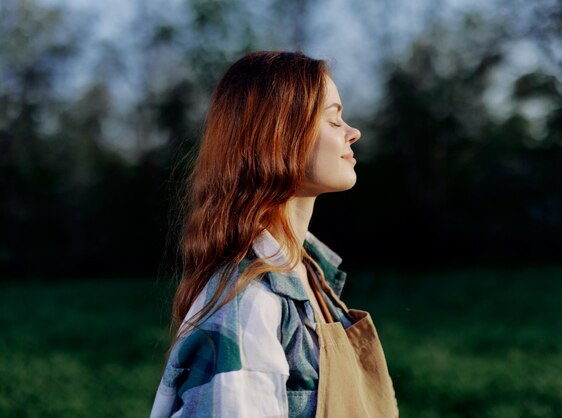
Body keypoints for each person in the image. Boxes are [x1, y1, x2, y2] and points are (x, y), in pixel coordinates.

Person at [150, 50, 398, 418]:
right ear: (279, 137)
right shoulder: (249, 303)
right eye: (333, 120)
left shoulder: (314, 279)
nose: (353, 132)